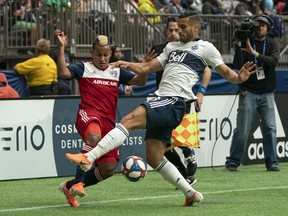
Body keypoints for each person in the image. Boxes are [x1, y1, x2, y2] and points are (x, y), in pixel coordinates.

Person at [65, 11, 255, 206]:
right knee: (154, 157)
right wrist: (127, 63)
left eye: (182, 27)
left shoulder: (206, 48)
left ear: (195, 28)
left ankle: (89, 157)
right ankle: (190, 193)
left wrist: (239, 78)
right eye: (176, 27)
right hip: (164, 100)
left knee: (128, 120)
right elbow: (147, 68)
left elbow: (227, 74)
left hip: (174, 100)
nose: (178, 31)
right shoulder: (171, 47)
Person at [54, 29, 154, 207]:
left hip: (108, 123)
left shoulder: (116, 71)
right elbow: (63, 73)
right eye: (99, 55)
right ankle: (78, 182)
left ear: (110, 55)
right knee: (94, 137)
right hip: (88, 115)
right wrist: (61, 48)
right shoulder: (84, 67)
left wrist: (145, 67)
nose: (102, 58)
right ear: (92, 53)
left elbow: (140, 82)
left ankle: (69, 187)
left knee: (108, 169)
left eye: (106, 55)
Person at [151, 16, 211, 186]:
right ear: (166, 31)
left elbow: (207, 72)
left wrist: (201, 93)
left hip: (181, 100)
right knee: (164, 144)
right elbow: (147, 68)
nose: (174, 33)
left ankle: (187, 154)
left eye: (177, 30)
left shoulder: (192, 48)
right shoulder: (160, 49)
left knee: (173, 138)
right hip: (161, 99)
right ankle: (184, 173)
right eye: (170, 30)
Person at [225, 14, 280, 172]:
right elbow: (237, 65)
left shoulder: (271, 43)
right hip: (248, 91)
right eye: (258, 25)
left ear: (268, 28)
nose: (260, 27)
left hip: (267, 92)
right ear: (254, 27)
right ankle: (233, 161)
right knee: (242, 129)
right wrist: (240, 46)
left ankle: (272, 163)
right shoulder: (246, 42)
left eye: (263, 25)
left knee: (270, 128)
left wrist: (254, 53)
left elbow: (274, 61)